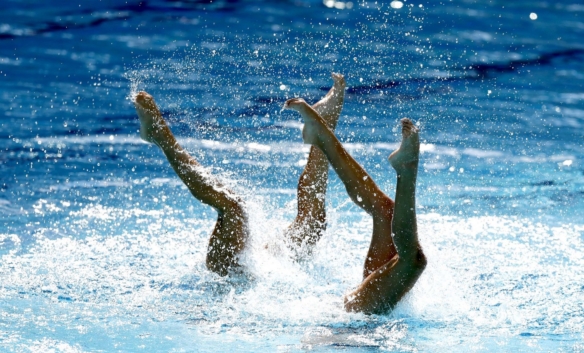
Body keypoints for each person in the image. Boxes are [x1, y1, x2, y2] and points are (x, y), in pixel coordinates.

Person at [134, 73, 426, 314]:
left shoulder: (360, 307)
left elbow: (411, 259)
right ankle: (323, 132)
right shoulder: (369, 302)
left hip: (233, 273)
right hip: (260, 276)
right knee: (318, 223)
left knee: (234, 208)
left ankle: (160, 136)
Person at [133, 73, 345, 275]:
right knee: (236, 208)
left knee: (312, 222)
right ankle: (160, 136)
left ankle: (323, 127)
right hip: (232, 270)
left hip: (256, 269)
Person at [283, 99, 427, 315]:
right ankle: (405, 170)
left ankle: (321, 136)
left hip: (356, 314)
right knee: (407, 249)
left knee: (403, 242)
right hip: (360, 319)